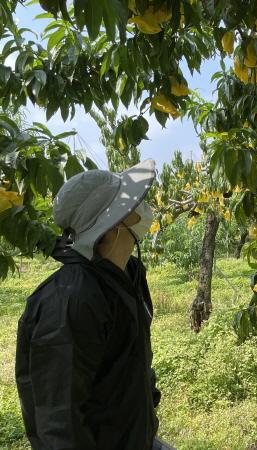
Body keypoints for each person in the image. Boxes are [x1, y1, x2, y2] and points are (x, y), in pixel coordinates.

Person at [15, 160, 173, 450]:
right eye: (132, 204)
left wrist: (146, 401)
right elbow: (58, 419)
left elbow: (132, 352)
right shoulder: (70, 300)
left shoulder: (129, 273)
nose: (142, 208)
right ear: (112, 224)